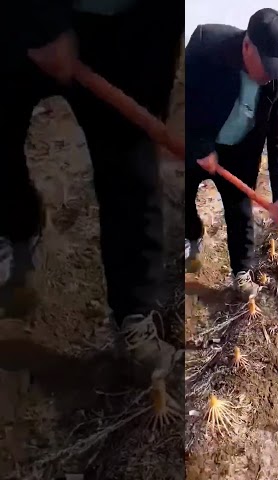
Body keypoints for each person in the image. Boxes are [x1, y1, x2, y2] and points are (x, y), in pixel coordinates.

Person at [0, 1, 183, 378]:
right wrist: (42, 25)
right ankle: (16, 231)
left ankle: (134, 314)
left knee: (129, 164)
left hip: (130, 22)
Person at [185, 8, 278, 300]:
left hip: (241, 149)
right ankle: (193, 234)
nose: (272, 74)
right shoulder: (205, 46)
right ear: (247, 47)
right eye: (267, 65)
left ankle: (241, 272)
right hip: (198, 140)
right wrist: (202, 145)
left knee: (239, 210)